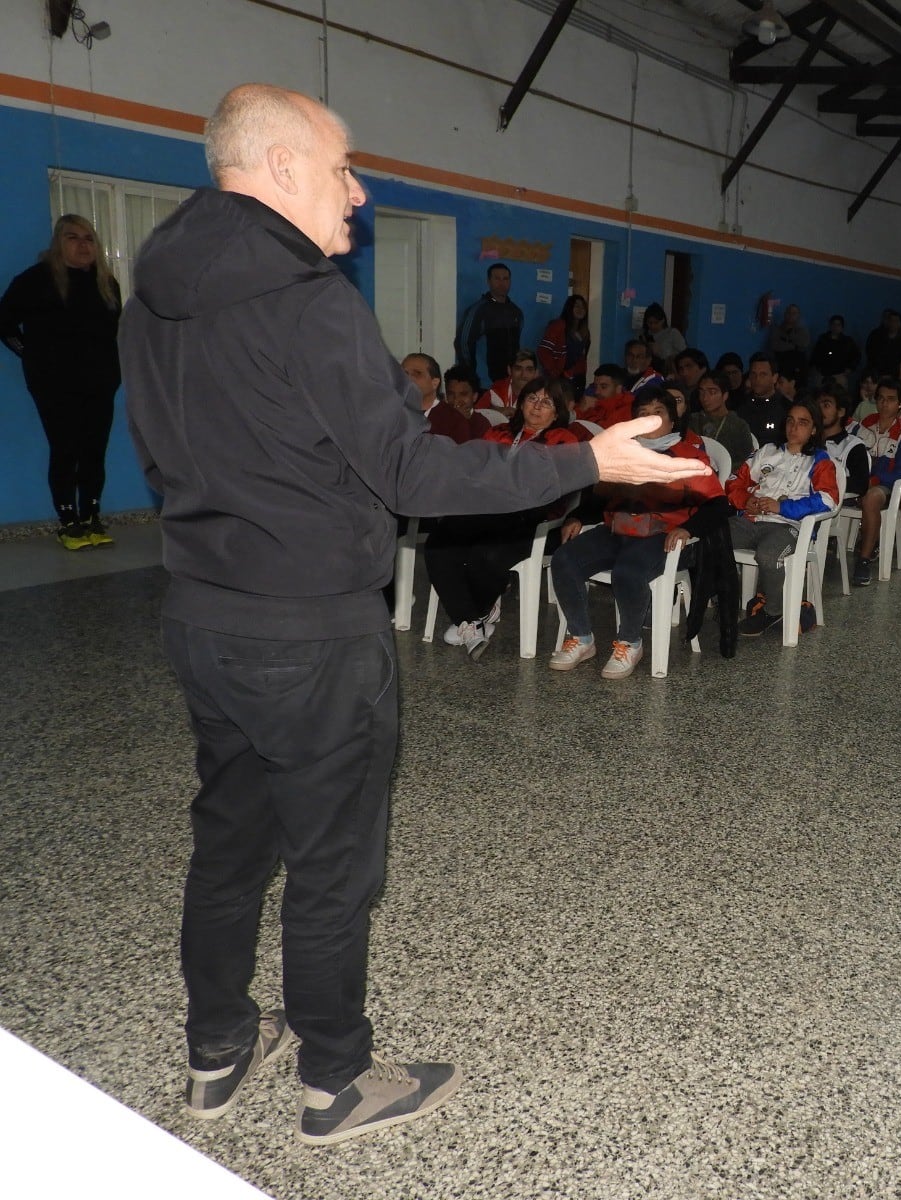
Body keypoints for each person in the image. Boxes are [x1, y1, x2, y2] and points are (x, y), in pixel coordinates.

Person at [120, 83, 709, 1146]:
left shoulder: (152, 288)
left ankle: (215, 1052)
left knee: (228, 844)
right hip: (308, 635)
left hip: (202, 616)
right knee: (334, 860)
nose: (359, 190)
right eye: (343, 167)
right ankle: (336, 1080)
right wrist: (587, 457)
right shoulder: (307, 301)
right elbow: (411, 474)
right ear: (284, 164)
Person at [548, 387, 723, 678]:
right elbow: (599, 497)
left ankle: (630, 642)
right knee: (564, 559)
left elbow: (718, 505)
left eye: (659, 413)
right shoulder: (625, 454)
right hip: (618, 529)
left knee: (628, 571)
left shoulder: (687, 456)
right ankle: (581, 637)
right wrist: (577, 516)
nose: (651, 420)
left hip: (664, 536)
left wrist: (687, 529)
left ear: (672, 421)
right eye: (643, 414)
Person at [425, 376, 580, 657]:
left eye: (546, 402)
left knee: (485, 555)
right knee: (439, 542)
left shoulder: (563, 440)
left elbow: (555, 487)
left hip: (532, 520)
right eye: (532, 399)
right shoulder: (498, 433)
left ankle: (480, 610)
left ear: (557, 412)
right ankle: (470, 620)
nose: (536, 406)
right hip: (485, 508)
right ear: (521, 404)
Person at [0, 213, 122, 549]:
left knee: (95, 451)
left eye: (89, 239)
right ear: (58, 243)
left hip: (100, 383)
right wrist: (33, 356)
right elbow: (5, 325)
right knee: (66, 450)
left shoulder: (108, 285)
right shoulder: (35, 281)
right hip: (54, 386)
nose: (83, 245)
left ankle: (91, 517)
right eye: (73, 237)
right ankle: (68, 522)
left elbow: (113, 335)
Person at [725, 396, 839, 636]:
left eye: (803, 422)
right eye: (790, 421)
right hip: (752, 520)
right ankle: (718, 600)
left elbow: (828, 500)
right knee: (714, 539)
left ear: (814, 429)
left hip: (790, 526)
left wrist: (782, 508)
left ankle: (773, 611)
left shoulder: (819, 460)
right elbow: (734, 481)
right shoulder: (768, 451)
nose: (794, 428)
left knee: (768, 555)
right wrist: (747, 501)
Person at [847, 376, 901, 587]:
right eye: (880, 398)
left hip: (885, 486)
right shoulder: (863, 426)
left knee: (871, 497)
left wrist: (875, 479)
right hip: (861, 480)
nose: (884, 403)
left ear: (900, 404)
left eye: (890, 399)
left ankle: (864, 558)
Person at [454, 262, 522, 386]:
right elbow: (462, 342)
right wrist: (470, 373)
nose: (502, 283)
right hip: (486, 382)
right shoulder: (479, 311)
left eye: (505, 279)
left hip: (510, 381)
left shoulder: (516, 312)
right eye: (497, 278)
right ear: (488, 281)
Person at [687, 373, 754, 465]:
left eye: (712, 392)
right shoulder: (692, 421)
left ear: (725, 395)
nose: (705, 398)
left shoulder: (739, 426)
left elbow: (747, 460)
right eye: (701, 392)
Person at [535, 293, 589, 387]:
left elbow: (582, 358)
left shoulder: (585, 332)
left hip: (577, 379)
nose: (580, 309)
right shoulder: (558, 325)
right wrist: (554, 372)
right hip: (559, 378)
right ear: (569, 308)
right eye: (577, 306)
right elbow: (543, 351)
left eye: (583, 307)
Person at [738, 352, 787, 449]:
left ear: (774, 378)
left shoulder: (786, 408)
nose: (757, 379)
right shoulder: (740, 405)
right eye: (753, 374)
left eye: (763, 374)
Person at [430, 367, 492, 443]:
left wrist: (460, 421)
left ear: (474, 397)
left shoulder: (481, 424)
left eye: (463, 394)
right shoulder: (437, 415)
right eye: (451, 394)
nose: (456, 400)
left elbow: (470, 451)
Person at [478, 347, 536, 415]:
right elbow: (474, 416)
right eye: (518, 369)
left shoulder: (542, 396)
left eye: (529, 370)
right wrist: (495, 412)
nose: (523, 375)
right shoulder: (496, 391)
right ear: (509, 370)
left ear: (535, 373)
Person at [809, 314, 860, 386]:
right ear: (830, 326)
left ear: (842, 327)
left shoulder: (847, 341)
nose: (835, 327)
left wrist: (850, 368)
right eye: (833, 324)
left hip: (839, 375)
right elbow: (815, 355)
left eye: (838, 325)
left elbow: (856, 356)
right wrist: (815, 369)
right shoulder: (823, 339)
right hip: (823, 375)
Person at [764, 303, 810, 381]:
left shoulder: (802, 330)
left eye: (794, 313)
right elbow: (775, 346)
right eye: (789, 312)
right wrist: (794, 346)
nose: (791, 315)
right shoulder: (778, 329)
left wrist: (787, 340)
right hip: (781, 366)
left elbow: (804, 344)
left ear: (798, 315)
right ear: (785, 314)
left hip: (798, 367)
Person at [863, 309, 901, 378]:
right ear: (888, 322)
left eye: (896, 321)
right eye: (891, 321)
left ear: (900, 323)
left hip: (896, 375)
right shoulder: (876, 335)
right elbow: (870, 353)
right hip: (876, 372)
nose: (893, 323)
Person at [641, 302, 685, 369]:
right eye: (650, 323)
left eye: (656, 322)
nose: (653, 326)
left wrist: (660, 352)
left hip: (668, 371)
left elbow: (685, 354)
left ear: (663, 320)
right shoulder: (644, 335)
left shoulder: (672, 333)